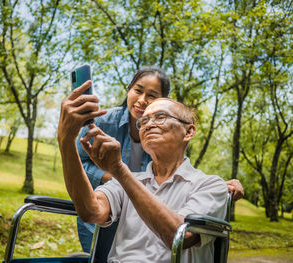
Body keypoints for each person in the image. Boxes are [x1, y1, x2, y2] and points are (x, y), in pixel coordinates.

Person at [72, 66, 244, 252]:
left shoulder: (193, 174)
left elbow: (172, 178)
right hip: (113, 205)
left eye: (153, 98)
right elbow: (91, 206)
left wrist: (217, 189)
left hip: (149, 217)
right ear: (129, 90)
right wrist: (67, 141)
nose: (142, 101)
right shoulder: (103, 122)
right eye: (138, 90)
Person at [58, 93, 229, 263]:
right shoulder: (128, 180)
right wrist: (66, 141)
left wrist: (120, 171)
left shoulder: (211, 185)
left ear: (188, 131)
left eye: (160, 117)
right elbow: (91, 211)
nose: (148, 125)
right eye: (144, 121)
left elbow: (180, 236)